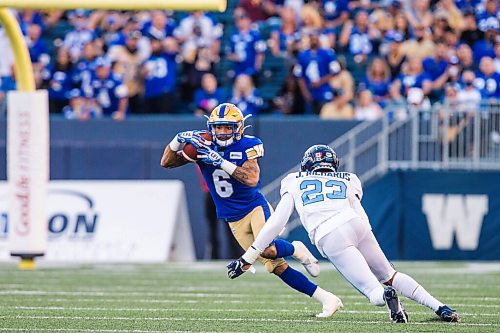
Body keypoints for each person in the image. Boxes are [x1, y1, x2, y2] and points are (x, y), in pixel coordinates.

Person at [227, 144, 462, 323]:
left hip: (330, 234)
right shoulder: (349, 178)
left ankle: (387, 297)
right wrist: (367, 239)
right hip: (356, 224)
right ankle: (440, 307)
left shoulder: (294, 180)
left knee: (374, 292)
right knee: (390, 273)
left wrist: (248, 257)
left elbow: (277, 223)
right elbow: (361, 213)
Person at [160, 103, 342, 318]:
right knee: (276, 267)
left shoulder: (248, 145)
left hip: (254, 207)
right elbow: (166, 162)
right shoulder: (203, 145)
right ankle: (327, 298)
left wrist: (220, 161)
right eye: (218, 127)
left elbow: (251, 179)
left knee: (268, 250)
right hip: (232, 217)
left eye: (228, 127)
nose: (222, 132)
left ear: (238, 127)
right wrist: (178, 140)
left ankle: (294, 248)